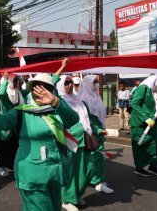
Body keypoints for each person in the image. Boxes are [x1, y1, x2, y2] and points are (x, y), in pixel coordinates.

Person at [0, 72, 80, 211]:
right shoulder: (22, 111)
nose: (41, 92)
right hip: (35, 176)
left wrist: (55, 102)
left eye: (45, 88)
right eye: (36, 88)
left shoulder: (56, 108)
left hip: (55, 174)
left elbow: (73, 120)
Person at [55, 74, 107, 211]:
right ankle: (67, 199)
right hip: (71, 141)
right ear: (60, 85)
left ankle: (76, 194)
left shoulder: (79, 101)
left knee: (87, 170)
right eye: (66, 83)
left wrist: (98, 130)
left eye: (71, 82)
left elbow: (88, 120)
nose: (70, 85)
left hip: (86, 139)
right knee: (72, 172)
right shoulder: (59, 103)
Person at [79, 75, 114, 194]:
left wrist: (101, 128)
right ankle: (98, 182)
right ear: (88, 83)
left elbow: (100, 114)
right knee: (95, 157)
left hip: (99, 131)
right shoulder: (83, 99)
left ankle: (98, 179)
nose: (97, 84)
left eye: (97, 81)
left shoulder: (96, 95)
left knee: (98, 157)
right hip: (91, 132)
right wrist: (97, 130)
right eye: (94, 81)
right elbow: (84, 120)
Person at [130, 75, 157, 177]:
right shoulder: (143, 88)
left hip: (153, 122)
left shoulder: (154, 91)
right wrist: (146, 118)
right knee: (139, 146)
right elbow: (134, 103)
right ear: (155, 81)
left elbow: (156, 106)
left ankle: (153, 166)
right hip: (139, 123)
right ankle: (139, 168)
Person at [0, 73, 29, 176]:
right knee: (4, 146)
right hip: (7, 125)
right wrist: (5, 78)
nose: (17, 83)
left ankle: (15, 165)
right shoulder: (5, 94)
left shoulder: (19, 93)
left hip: (18, 125)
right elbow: (0, 93)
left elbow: (30, 90)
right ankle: (1, 167)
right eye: (14, 81)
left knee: (16, 146)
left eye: (17, 80)